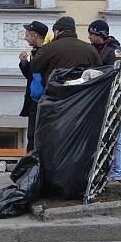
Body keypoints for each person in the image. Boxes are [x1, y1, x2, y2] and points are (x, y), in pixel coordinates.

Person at [88, 20, 121, 182]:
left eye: (92, 34)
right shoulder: (92, 49)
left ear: (100, 35)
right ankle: (104, 170)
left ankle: (119, 171)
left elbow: (117, 73)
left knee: (116, 136)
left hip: (112, 98)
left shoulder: (115, 51)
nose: (89, 36)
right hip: (96, 97)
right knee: (100, 136)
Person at [30, 16, 101, 85]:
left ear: (57, 31)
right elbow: (99, 72)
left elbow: (34, 67)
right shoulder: (90, 49)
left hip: (55, 93)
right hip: (82, 94)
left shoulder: (49, 48)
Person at [18, 20, 48, 151]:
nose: (25, 38)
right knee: (31, 135)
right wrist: (24, 63)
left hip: (42, 102)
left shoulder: (46, 53)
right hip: (34, 100)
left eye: (27, 35)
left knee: (37, 135)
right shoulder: (35, 52)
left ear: (35, 36)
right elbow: (31, 76)